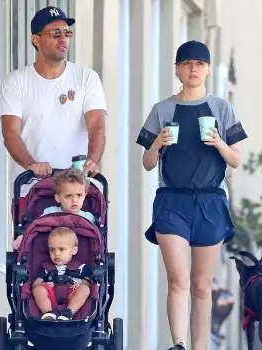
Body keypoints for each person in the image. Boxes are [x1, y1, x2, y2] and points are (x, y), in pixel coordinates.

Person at [136, 40, 247, 350]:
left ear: (208, 69)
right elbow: (146, 164)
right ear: (177, 69)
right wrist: (157, 143)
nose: (193, 68)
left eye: (199, 63)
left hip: (210, 202)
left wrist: (219, 144)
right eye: (187, 63)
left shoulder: (221, 108)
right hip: (171, 201)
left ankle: (200, 347)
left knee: (201, 285)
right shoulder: (162, 109)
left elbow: (237, 160)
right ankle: (179, 344)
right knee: (178, 280)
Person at [0, 6, 107, 180]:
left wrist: (92, 160)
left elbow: (97, 127)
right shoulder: (15, 82)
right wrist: (32, 165)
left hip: (77, 186)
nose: (63, 39)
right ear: (36, 39)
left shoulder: (87, 78)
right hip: (33, 187)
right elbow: (10, 133)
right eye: (56, 34)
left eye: (67, 33)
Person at [13, 168, 94, 250]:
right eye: (69, 196)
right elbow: (36, 228)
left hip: (81, 255)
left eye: (79, 195)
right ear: (58, 198)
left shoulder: (88, 218)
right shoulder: (50, 212)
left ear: (85, 195)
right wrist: (23, 238)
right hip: (51, 253)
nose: (74, 200)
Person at [32, 227, 91, 321]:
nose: (56, 253)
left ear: (74, 250)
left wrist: (80, 285)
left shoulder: (81, 268)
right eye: (52, 250)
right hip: (50, 298)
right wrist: (43, 285)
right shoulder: (46, 268)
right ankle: (48, 314)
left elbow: (87, 283)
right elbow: (35, 284)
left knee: (85, 289)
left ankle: (68, 313)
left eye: (61, 249)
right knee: (38, 290)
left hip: (72, 295)